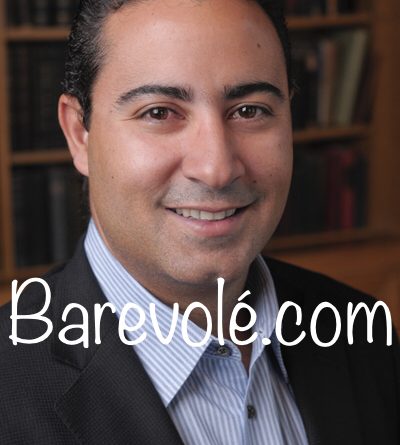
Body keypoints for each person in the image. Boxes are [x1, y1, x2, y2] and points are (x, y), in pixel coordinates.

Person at [0, 0, 399, 444]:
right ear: (79, 133)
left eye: (249, 110)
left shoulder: (364, 332)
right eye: (159, 112)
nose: (216, 169)